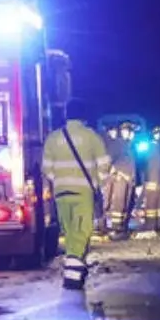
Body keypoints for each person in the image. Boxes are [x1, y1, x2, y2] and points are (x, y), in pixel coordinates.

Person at [41, 104, 110, 290]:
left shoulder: (53, 138)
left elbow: (46, 168)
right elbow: (104, 164)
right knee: (82, 231)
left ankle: (75, 272)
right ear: (83, 117)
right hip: (83, 192)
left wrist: (60, 180)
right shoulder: (91, 136)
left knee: (70, 231)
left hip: (61, 193)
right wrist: (98, 183)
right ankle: (73, 274)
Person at [102, 122, 138, 237]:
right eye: (128, 131)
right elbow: (108, 159)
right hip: (120, 179)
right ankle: (116, 228)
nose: (131, 134)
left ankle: (122, 227)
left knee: (126, 204)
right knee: (119, 203)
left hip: (128, 180)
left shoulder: (130, 145)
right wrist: (115, 172)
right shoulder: (118, 144)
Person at [140, 126, 160, 238]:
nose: (158, 135)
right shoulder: (150, 147)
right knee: (151, 205)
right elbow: (144, 165)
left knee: (159, 205)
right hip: (151, 180)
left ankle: (158, 226)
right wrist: (146, 180)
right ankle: (150, 227)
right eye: (156, 133)